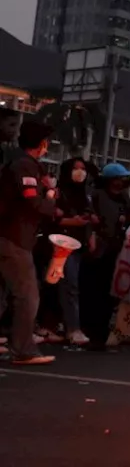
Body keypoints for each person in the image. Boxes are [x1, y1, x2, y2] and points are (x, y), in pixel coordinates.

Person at [0, 120, 58, 365]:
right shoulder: (24, 165)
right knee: (27, 296)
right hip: (14, 239)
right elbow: (32, 202)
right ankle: (23, 350)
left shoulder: (27, 165)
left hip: (10, 236)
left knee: (2, 293)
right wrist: (51, 200)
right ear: (41, 143)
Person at [83, 163, 130, 350]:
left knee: (108, 292)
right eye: (119, 178)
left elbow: (129, 220)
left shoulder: (124, 200)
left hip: (116, 249)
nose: (122, 182)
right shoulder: (96, 196)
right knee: (93, 290)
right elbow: (89, 218)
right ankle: (90, 329)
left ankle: (102, 330)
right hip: (98, 248)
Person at [50, 157, 96, 347]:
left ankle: (58, 325)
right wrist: (73, 222)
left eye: (83, 168)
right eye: (75, 168)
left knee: (67, 286)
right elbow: (52, 218)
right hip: (61, 245)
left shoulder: (85, 194)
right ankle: (72, 328)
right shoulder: (59, 193)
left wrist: (90, 235)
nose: (80, 172)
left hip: (79, 245)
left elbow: (88, 217)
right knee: (68, 286)